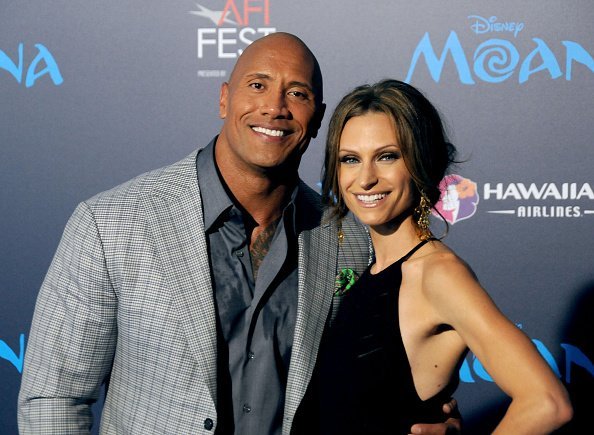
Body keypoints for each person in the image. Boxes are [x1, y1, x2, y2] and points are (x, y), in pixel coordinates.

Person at [18, 33, 460, 435]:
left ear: (319, 118)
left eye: (298, 93)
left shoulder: (354, 240)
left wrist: (430, 421)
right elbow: (53, 397)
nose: (275, 107)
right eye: (257, 85)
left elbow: (377, 384)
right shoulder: (111, 223)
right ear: (224, 99)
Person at [293, 79, 573, 434]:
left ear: (421, 162)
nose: (365, 179)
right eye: (350, 159)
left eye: (387, 156)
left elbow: (547, 402)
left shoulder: (437, 273)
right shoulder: (373, 269)